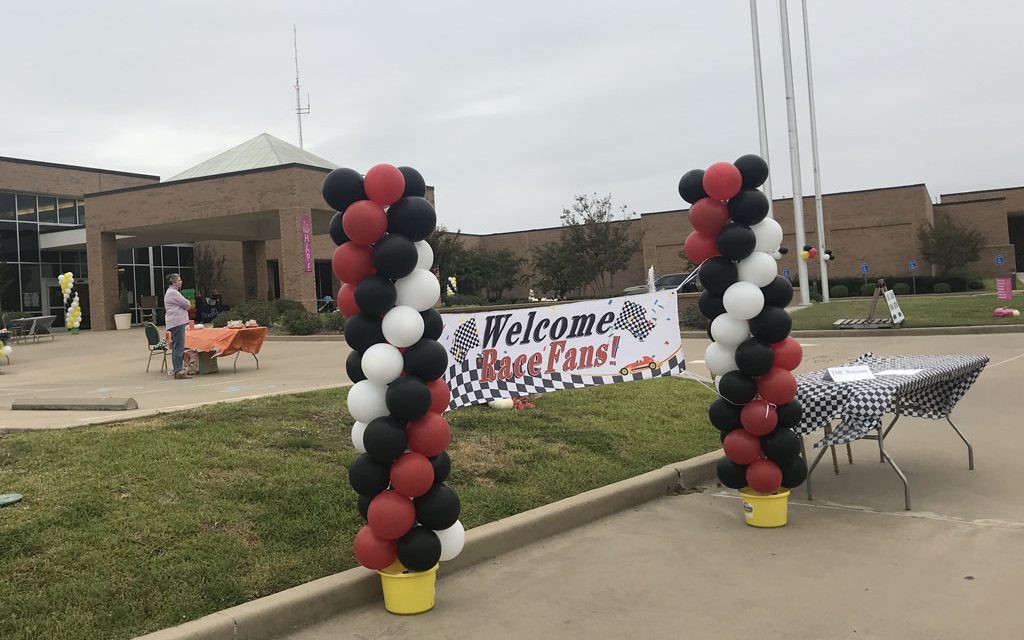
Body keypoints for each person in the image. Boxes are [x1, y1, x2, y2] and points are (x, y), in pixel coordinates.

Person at [163, 273, 191, 379]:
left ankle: (178, 370)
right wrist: (187, 302)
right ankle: (178, 371)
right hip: (177, 323)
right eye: (179, 280)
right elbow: (187, 304)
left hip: (175, 322)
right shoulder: (173, 293)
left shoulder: (172, 292)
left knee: (177, 346)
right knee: (178, 347)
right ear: (174, 282)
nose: (181, 281)